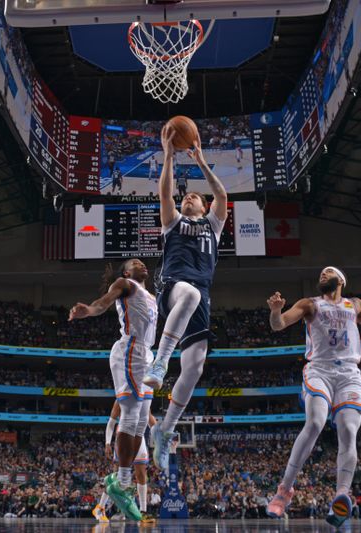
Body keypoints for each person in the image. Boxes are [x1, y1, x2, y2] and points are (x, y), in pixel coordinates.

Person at [265, 267, 361, 527]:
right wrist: (276, 311)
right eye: (321, 273)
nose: (323, 274)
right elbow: (279, 325)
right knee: (315, 422)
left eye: (329, 272)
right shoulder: (310, 304)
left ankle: (342, 495)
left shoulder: (354, 304)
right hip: (319, 369)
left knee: (347, 430)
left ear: (341, 280)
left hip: (349, 374)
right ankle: (284, 490)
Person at [142, 124, 228, 472]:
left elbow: (222, 197)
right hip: (174, 289)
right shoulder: (173, 222)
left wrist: (202, 162)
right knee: (189, 293)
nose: (186, 198)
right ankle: (160, 362)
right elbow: (164, 194)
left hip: (201, 299)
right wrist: (167, 156)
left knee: (194, 367)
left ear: (204, 205)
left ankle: (165, 430)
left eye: (193, 196)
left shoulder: (213, 225)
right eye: (184, 197)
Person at [69, 258, 156, 521]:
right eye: (136, 262)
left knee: (141, 421)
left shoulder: (150, 295)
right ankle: (122, 481)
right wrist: (90, 311)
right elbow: (104, 302)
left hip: (146, 355)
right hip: (129, 350)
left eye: (143, 262)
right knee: (129, 415)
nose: (142, 264)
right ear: (127, 271)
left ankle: (122, 482)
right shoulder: (124, 283)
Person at [93, 400, 157, 524]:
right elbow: (111, 422)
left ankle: (143, 512)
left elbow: (150, 420)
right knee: (117, 478)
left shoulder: (145, 397)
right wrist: (107, 443)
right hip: (123, 435)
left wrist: (160, 437)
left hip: (139, 436)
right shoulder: (121, 398)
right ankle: (100, 508)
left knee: (141, 474)